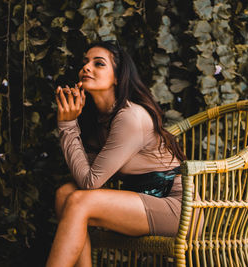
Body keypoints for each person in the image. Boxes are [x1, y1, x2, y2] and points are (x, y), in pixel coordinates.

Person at [46, 41, 185, 267]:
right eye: (85, 63)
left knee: (80, 202)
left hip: (176, 206)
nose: (86, 68)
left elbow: (90, 183)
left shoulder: (130, 116)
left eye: (98, 64)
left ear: (117, 78)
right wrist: (71, 122)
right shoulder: (98, 118)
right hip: (143, 201)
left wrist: (67, 125)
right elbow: (84, 175)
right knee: (65, 194)